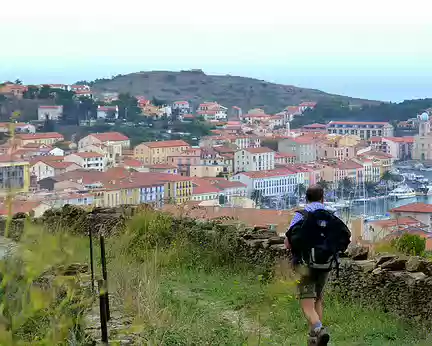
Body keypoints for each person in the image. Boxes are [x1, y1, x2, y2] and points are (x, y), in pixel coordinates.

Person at [284, 184, 350, 346]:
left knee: (307, 304)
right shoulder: (331, 215)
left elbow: (288, 243)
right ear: (323, 198)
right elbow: (343, 238)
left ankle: (319, 330)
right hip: (325, 265)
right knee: (318, 299)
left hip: (305, 265)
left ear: (306, 198)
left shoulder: (301, 215)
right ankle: (315, 340)